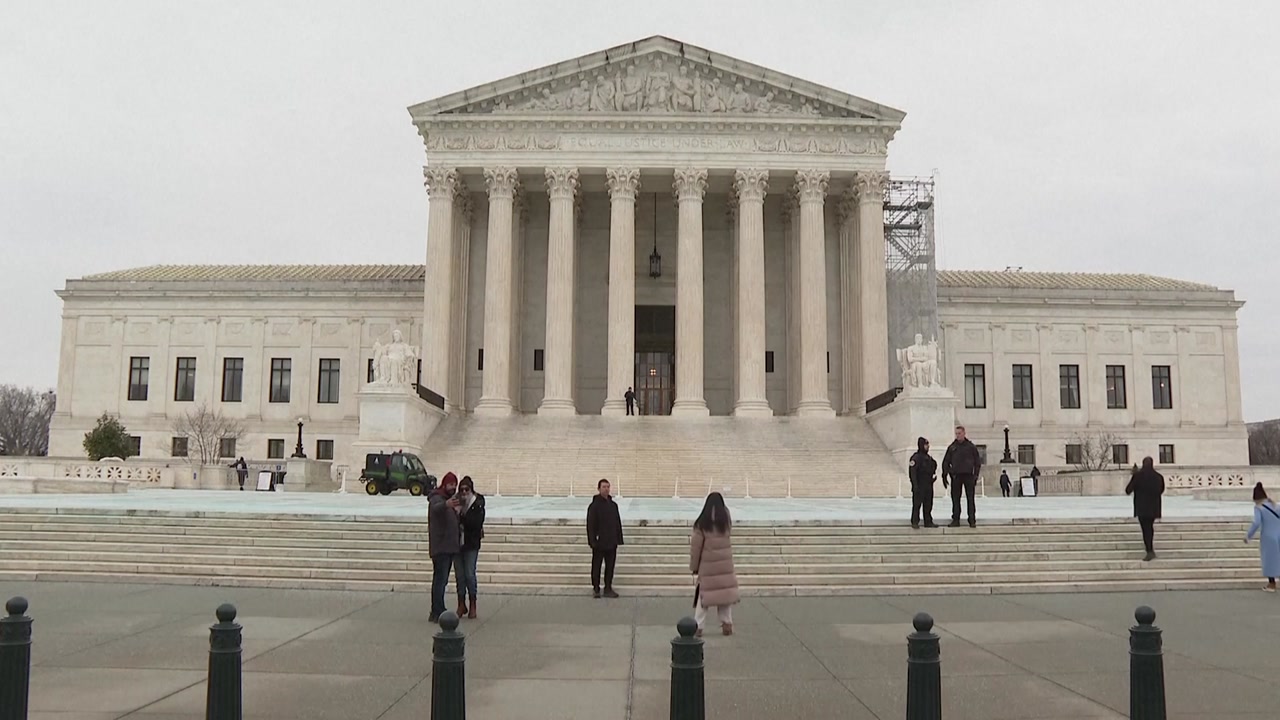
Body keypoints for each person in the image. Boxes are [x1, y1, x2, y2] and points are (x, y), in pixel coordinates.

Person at [690, 492, 739, 637]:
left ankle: (698, 626)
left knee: (703, 599)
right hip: (725, 566)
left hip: (708, 567)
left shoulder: (702, 523)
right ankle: (727, 624)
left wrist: (694, 567)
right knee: (724, 597)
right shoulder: (725, 522)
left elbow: (696, 548)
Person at [428, 472, 461, 622]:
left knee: (442, 580)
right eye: (451, 484)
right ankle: (437, 610)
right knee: (440, 580)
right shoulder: (437, 497)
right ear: (445, 484)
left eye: (455, 484)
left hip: (448, 547)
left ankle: (438, 608)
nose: (453, 487)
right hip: (441, 547)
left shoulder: (450, 500)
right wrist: (446, 505)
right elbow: (436, 508)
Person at [454, 476, 486, 618]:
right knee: (460, 575)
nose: (464, 492)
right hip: (457, 543)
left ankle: (473, 603)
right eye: (461, 490)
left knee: (469, 574)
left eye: (466, 489)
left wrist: (461, 514)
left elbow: (476, 523)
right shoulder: (456, 502)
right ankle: (461, 603)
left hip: (471, 543)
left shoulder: (478, 503)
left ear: (471, 489)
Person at [587, 478, 624, 598]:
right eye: (604, 487)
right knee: (596, 566)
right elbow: (590, 525)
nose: (606, 489)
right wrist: (592, 541)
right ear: (598, 489)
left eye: (608, 487)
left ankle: (608, 588)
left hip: (611, 541)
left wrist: (619, 539)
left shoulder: (613, 505)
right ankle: (596, 588)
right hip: (599, 542)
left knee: (610, 566)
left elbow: (617, 523)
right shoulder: (594, 506)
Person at [1125, 457, 1165, 562]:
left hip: (1142, 507)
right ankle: (1150, 549)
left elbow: (1128, 490)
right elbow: (1161, 490)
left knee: (1145, 528)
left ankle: (1149, 550)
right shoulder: (1158, 477)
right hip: (1154, 507)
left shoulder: (1138, 476)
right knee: (1149, 527)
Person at [941, 426, 982, 527]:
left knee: (970, 498)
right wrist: (945, 474)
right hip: (956, 476)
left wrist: (975, 475)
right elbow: (946, 462)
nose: (958, 435)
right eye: (956, 434)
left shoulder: (971, 447)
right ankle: (956, 519)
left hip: (968, 475)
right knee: (955, 499)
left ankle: (972, 520)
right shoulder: (952, 447)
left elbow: (977, 462)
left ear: (964, 433)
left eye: (959, 433)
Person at [1245, 482, 1280, 592]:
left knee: (1269, 560)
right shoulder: (1276, 505)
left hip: (1268, 537)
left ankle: (1271, 584)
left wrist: (1248, 536)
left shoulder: (1258, 508)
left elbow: (1256, 523)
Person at [908, 437, 938, 529]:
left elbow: (933, 467)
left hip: (928, 484)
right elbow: (912, 472)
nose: (928, 446)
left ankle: (928, 521)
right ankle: (915, 521)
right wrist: (915, 485)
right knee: (917, 505)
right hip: (919, 485)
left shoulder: (928, 458)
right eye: (926, 445)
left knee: (928, 504)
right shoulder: (916, 458)